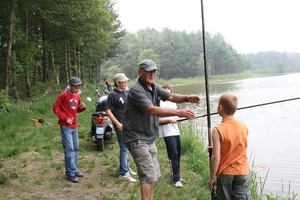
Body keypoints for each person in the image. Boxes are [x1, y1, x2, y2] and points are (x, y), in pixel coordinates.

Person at [122, 59, 201, 200]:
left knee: (152, 175)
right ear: (140, 72)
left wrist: (187, 98)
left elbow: (170, 96)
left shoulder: (153, 87)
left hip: (148, 136)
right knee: (147, 174)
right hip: (136, 137)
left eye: (154, 71)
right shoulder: (136, 90)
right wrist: (178, 113)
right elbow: (151, 110)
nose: (152, 74)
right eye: (148, 71)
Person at [208, 93, 252, 200]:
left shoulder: (217, 130)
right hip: (242, 171)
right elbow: (237, 146)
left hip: (225, 173)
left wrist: (212, 178)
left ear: (220, 108)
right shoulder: (243, 126)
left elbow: (216, 158)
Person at [53, 77, 86, 183]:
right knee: (69, 149)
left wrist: (82, 108)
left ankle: (74, 168)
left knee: (76, 148)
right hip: (66, 126)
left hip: (74, 126)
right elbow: (56, 108)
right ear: (70, 85)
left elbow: (76, 109)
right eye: (75, 87)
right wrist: (65, 118)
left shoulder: (77, 96)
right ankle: (70, 173)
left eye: (79, 87)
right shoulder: (63, 95)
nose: (77, 89)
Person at [106, 73, 137, 182]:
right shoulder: (113, 95)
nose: (126, 83)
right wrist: (117, 123)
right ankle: (123, 173)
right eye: (124, 81)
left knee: (128, 147)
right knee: (124, 147)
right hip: (120, 125)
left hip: (128, 124)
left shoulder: (126, 92)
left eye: (126, 81)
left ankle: (126, 167)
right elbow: (108, 110)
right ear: (117, 83)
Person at [158, 84, 183, 188]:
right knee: (173, 155)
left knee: (178, 155)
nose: (166, 90)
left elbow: (176, 117)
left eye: (168, 89)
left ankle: (177, 175)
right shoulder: (159, 103)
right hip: (167, 133)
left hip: (175, 131)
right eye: (164, 89)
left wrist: (185, 116)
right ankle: (175, 179)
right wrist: (169, 120)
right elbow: (158, 121)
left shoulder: (173, 103)